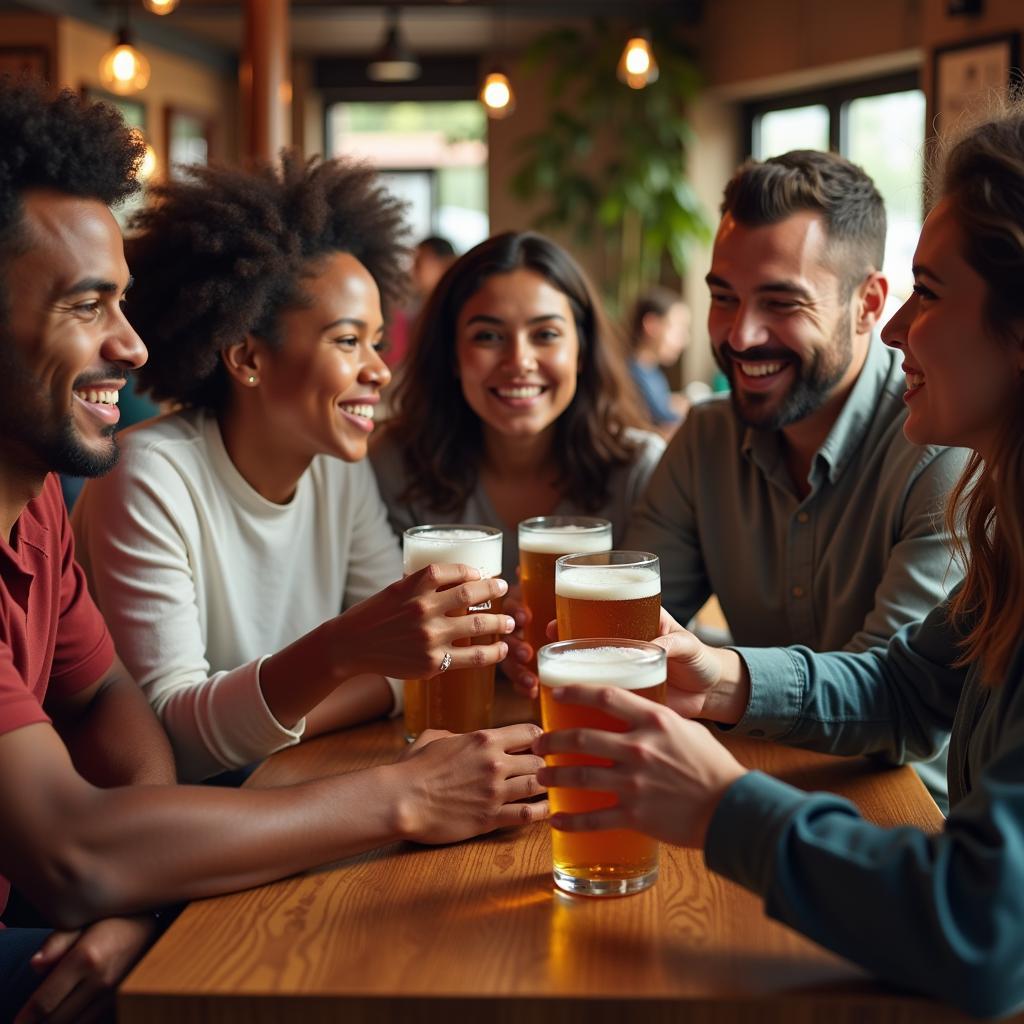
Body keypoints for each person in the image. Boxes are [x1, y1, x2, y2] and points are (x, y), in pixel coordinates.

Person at [0, 80, 546, 1022]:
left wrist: (141, 892)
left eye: (123, 305)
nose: (129, 349)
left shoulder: (39, 501)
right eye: (88, 306)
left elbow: (108, 703)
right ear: (246, 356)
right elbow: (85, 833)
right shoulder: (142, 472)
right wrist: (401, 792)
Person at [536, 107, 1024, 1017]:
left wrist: (726, 809)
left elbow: (985, 925)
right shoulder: (1013, 535)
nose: (900, 332)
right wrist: (720, 678)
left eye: (932, 291)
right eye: (724, 295)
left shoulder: (950, 469)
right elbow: (908, 690)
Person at [509, 150, 967, 805]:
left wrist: (724, 675)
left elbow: (894, 699)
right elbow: (633, 629)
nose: (741, 335)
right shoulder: (707, 437)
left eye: (781, 302)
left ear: (868, 305)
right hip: (743, 784)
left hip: (896, 813)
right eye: (724, 298)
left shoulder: (941, 445)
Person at [70, 156, 524, 785]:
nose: (380, 370)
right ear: (248, 357)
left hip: (277, 785)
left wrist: (274, 714)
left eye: (375, 340)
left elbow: (411, 668)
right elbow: (172, 737)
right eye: (346, 342)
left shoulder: (336, 467)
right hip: (178, 829)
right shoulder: (150, 475)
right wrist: (340, 658)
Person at [371, 231, 665, 585]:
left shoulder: (638, 472)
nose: (519, 361)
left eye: (545, 335)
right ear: (452, 354)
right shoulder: (397, 466)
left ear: (582, 352)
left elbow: (665, 625)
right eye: (489, 336)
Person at [626, 287, 691, 438]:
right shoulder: (629, 377)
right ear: (652, 325)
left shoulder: (651, 372)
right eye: (678, 328)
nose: (685, 339)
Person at [385, 235, 457, 370]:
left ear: (445, 264)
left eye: (418, 263)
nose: (412, 271)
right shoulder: (418, 308)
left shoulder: (451, 311)